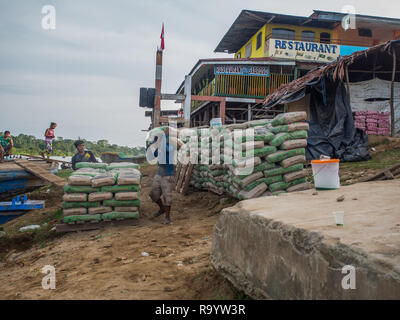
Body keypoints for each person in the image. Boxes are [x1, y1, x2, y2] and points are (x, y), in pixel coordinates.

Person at [148, 127, 176, 225]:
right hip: (159, 174)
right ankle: (162, 209)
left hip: (168, 175)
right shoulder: (158, 147)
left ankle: (167, 218)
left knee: (167, 197)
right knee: (153, 194)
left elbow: (166, 149)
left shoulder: (171, 147)